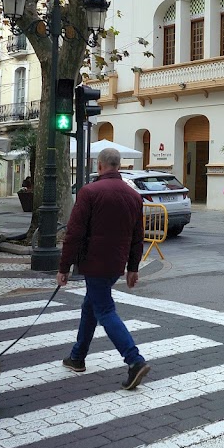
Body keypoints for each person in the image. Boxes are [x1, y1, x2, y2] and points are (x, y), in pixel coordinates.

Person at [57, 147, 150, 390]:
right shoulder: (133, 196)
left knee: (105, 309)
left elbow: (74, 233)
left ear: (99, 165)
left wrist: (64, 266)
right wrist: (133, 267)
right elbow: (137, 237)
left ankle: (134, 360)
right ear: (118, 166)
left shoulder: (89, 192)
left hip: (94, 262)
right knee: (91, 305)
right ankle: (77, 357)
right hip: (116, 264)